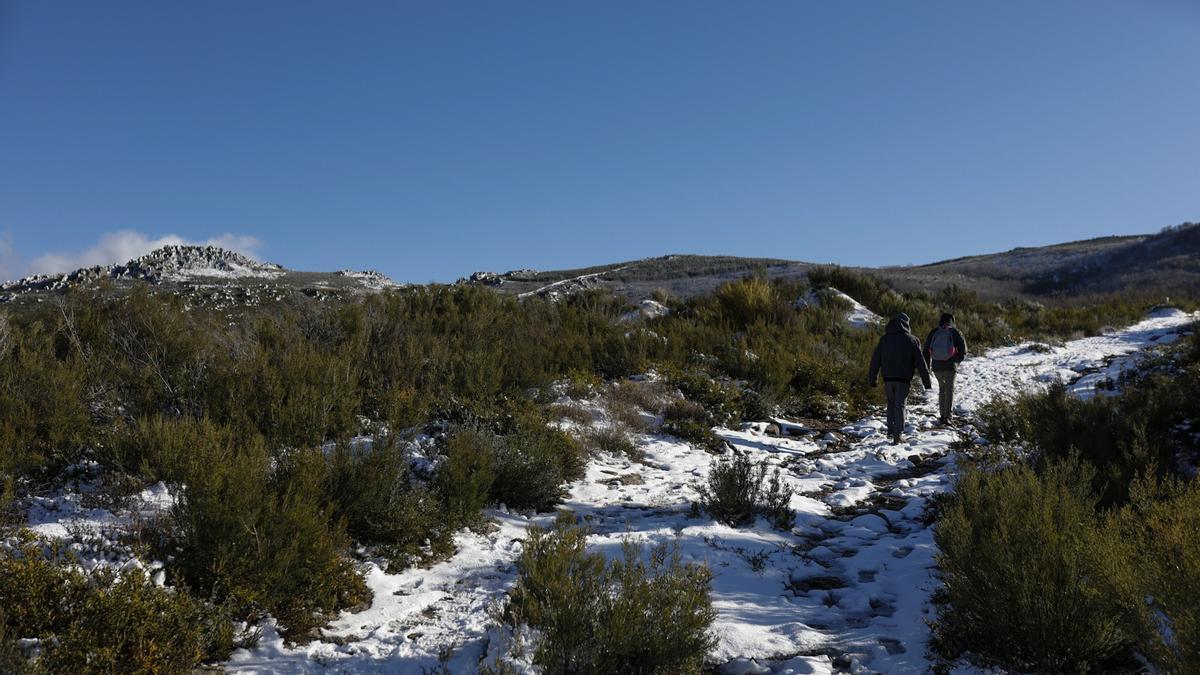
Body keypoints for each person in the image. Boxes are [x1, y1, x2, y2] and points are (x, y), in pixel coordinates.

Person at [868, 313, 932, 445]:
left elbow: (875, 360)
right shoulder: (912, 340)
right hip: (903, 379)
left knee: (891, 404)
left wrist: (873, 378)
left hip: (888, 378)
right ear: (907, 324)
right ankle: (898, 435)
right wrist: (926, 381)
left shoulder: (884, 339)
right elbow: (921, 363)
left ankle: (891, 430)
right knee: (900, 405)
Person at [925, 312, 968, 426]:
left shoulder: (934, 332)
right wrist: (956, 362)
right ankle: (947, 417)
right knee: (949, 390)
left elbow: (926, 350)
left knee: (942, 389)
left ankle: (942, 415)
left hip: (937, 366)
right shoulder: (955, 332)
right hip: (950, 366)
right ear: (952, 321)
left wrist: (928, 365)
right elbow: (964, 350)